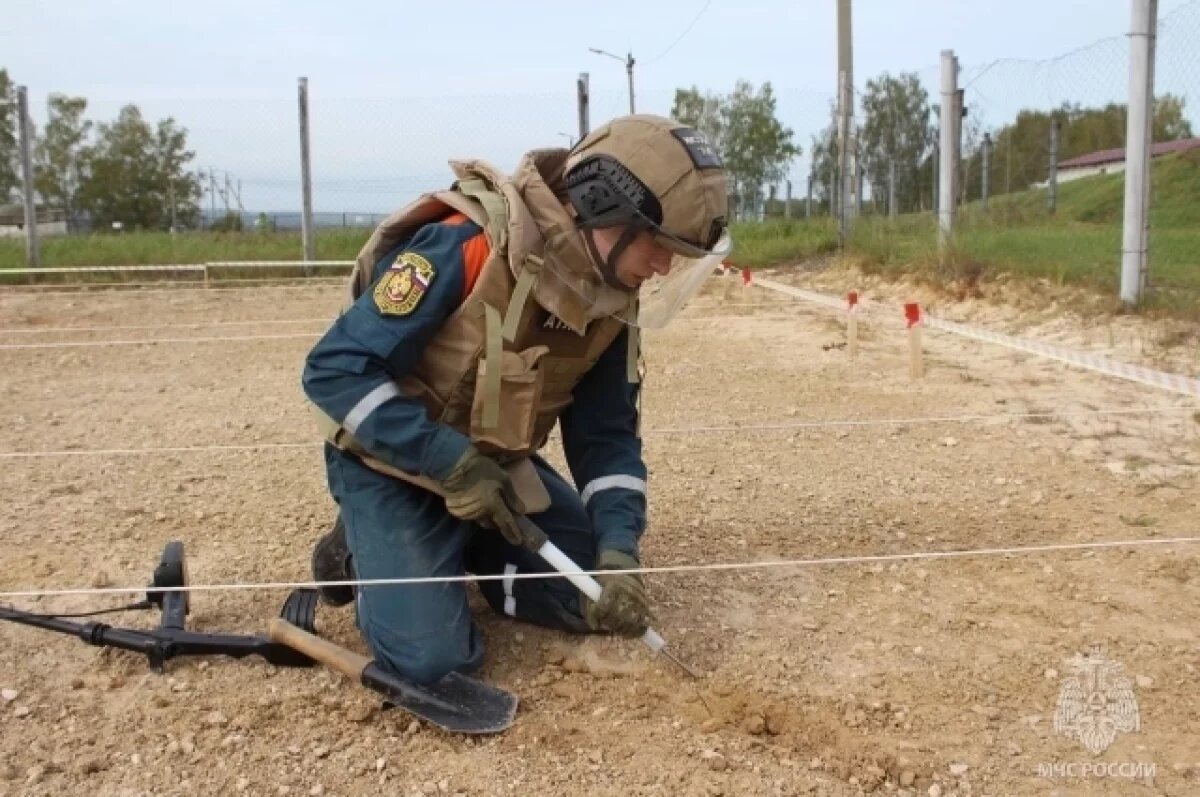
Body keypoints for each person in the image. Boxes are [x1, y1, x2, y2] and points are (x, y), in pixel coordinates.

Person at [301, 114, 730, 685]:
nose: (662, 266)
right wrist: (443, 460)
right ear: (603, 206)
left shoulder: (610, 303)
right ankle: (357, 549)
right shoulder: (467, 245)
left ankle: (458, 547)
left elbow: (607, 439)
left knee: (597, 601)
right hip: (394, 463)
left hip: (494, 470)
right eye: (658, 244)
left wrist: (620, 548)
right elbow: (335, 370)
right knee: (435, 664)